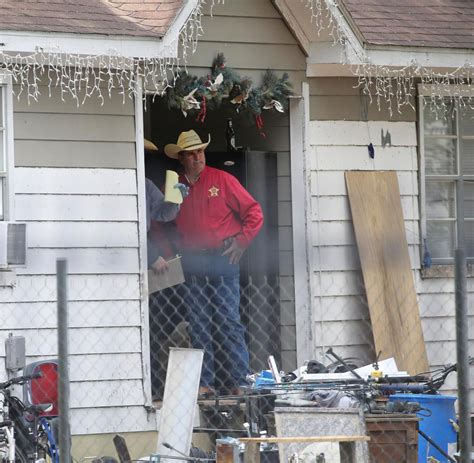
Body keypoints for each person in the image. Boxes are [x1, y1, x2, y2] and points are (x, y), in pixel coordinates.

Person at [164, 130, 264, 397]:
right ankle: (205, 383)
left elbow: (254, 211)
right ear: (182, 157)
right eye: (192, 153)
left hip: (222, 258)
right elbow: (165, 223)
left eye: (200, 151)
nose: (197, 157)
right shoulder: (175, 187)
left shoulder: (222, 179)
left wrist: (242, 242)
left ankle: (240, 381)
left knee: (228, 320)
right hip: (193, 261)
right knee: (199, 323)